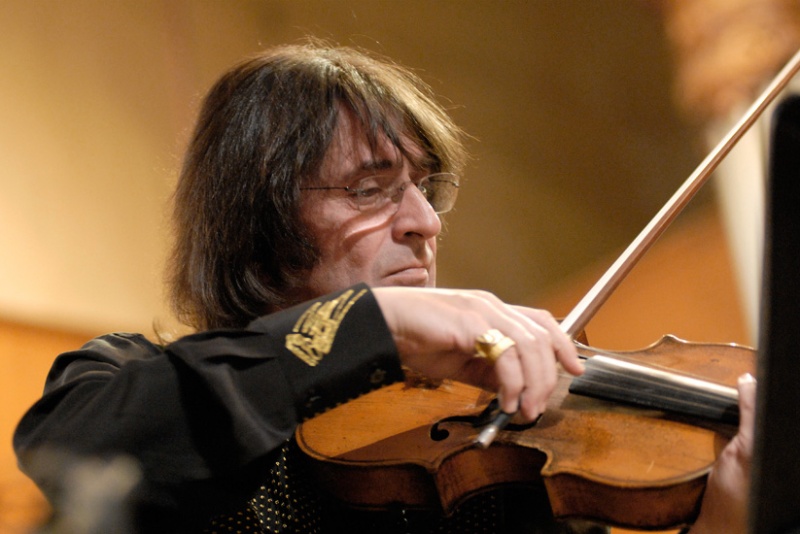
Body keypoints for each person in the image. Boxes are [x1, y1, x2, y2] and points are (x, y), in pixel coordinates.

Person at [14, 42, 755, 534]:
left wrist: (724, 519)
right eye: (369, 191)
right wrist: (373, 326)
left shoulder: (499, 452)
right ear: (258, 222)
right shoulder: (129, 380)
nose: (425, 222)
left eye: (428, 189)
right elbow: (78, 452)